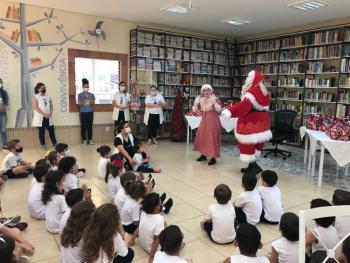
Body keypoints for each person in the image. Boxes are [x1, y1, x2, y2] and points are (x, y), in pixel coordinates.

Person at [222, 69, 272, 175]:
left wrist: (230, 111)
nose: (245, 80)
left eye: (247, 78)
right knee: (255, 144)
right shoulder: (264, 92)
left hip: (250, 123)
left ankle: (254, 167)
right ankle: (251, 167)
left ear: (251, 80)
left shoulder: (251, 93)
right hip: (262, 123)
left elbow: (243, 107)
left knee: (247, 145)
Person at [192, 84, 222, 166]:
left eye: (208, 90)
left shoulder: (215, 99)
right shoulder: (201, 99)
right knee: (202, 136)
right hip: (204, 120)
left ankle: (213, 157)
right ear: (202, 91)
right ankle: (203, 155)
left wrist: (214, 103)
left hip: (213, 121)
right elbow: (195, 110)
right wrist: (195, 103)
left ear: (211, 90)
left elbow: (219, 110)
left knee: (212, 138)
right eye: (204, 90)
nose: (206, 91)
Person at [137, 193, 165, 261]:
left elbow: (139, 227)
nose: (161, 203)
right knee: (175, 236)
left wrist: (132, 238)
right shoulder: (159, 219)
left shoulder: (143, 213)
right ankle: (181, 244)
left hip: (142, 244)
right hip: (152, 250)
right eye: (160, 202)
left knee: (165, 225)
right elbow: (156, 240)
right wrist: (151, 257)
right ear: (157, 207)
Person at [32, 82, 57, 150]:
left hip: (48, 117)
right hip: (40, 118)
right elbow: (35, 107)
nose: (44, 89)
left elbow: (51, 105)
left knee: (51, 131)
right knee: (41, 132)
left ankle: (54, 144)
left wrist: (50, 113)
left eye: (44, 87)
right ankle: (43, 145)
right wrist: (44, 114)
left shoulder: (48, 97)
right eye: (42, 88)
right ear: (38, 89)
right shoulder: (35, 97)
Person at [78, 78, 95, 145]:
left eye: (87, 87)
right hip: (83, 113)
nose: (86, 88)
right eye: (85, 87)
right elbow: (80, 104)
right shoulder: (80, 95)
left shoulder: (91, 94)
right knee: (83, 126)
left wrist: (89, 98)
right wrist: (85, 99)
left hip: (90, 112)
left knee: (90, 126)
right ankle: (84, 139)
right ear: (82, 87)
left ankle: (90, 139)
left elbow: (93, 103)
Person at [0, 78, 9, 150]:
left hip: (2, 113)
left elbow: (7, 103)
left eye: (0, 82)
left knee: (3, 130)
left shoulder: (4, 93)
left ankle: (5, 146)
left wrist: (3, 106)